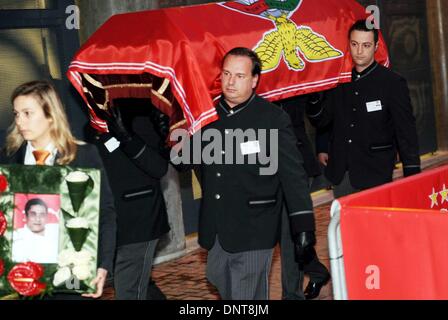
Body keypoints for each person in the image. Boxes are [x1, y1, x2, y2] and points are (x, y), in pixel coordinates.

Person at [172, 47, 316, 300]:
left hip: (254, 227)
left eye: (239, 76)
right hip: (216, 227)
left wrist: (303, 226)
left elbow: (293, 177)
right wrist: (174, 130)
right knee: (218, 279)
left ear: (254, 80)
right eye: (226, 74)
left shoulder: (272, 119)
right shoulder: (206, 115)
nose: (230, 82)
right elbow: (183, 163)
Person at [0, 80, 117, 299]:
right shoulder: (7, 160)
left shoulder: (83, 156)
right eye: (16, 114)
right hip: (21, 275)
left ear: (50, 115)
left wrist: (102, 266)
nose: (20, 122)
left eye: (27, 113)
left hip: (70, 270)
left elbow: (105, 213)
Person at [306, 19, 421, 198]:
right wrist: (313, 94)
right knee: (345, 225)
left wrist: (412, 173)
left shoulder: (392, 83)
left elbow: (406, 131)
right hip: (342, 173)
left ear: (375, 47)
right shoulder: (338, 81)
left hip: (376, 171)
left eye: (366, 45)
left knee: (375, 224)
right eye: (354, 44)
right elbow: (321, 121)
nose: (359, 51)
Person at [86, 97, 170, 300]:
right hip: (113, 223)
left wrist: (126, 136)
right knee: (138, 283)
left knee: (128, 291)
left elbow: (158, 167)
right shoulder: (91, 126)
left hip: (140, 220)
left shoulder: (140, 116)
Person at [277, 96, 330, 300]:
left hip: (296, 161)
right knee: (283, 232)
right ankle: (316, 271)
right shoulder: (248, 79)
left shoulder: (294, 75)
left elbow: (319, 118)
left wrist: (315, 97)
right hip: (262, 164)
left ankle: (292, 295)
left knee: (290, 233)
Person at [12, 198, 59, 264]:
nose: (38, 219)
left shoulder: (56, 229)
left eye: (42, 215)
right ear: (25, 216)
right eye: (33, 214)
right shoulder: (16, 236)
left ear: (46, 217)